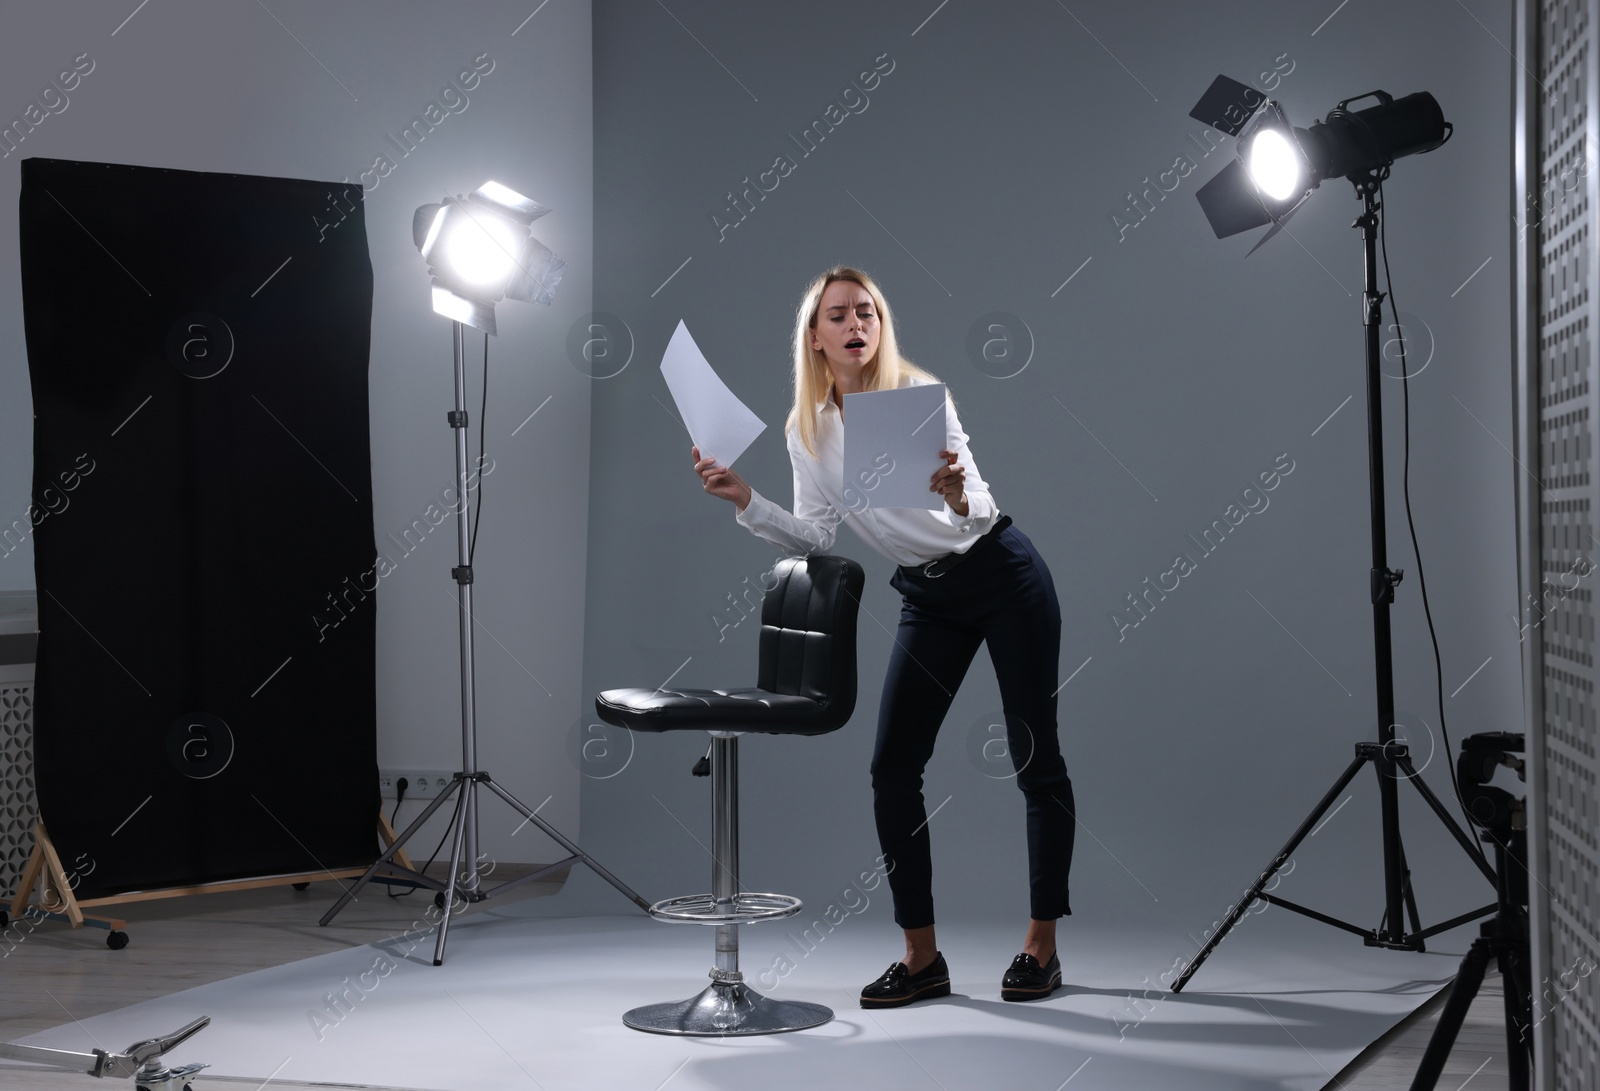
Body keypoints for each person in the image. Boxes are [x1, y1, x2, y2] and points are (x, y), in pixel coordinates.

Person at [693, 266, 1075, 1006]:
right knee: (893, 768)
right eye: (838, 315)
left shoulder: (914, 398)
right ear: (815, 335)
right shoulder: (807, 427)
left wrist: (960, 491)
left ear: (879, 324)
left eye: (866, 312)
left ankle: (1041, 945)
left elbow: (978, 506)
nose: (855, 324)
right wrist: (747, 500)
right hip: (927, 597)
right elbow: (816, 534)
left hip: (1001, 575)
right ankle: (922, 957)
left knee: (1036, 759)